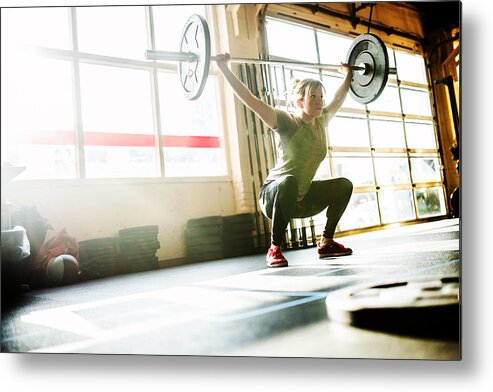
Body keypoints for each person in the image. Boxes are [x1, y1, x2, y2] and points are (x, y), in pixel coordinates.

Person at [216, 53, 354, 268]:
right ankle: (274, 249)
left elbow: (339, 97)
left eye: (320, 97)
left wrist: (348, 75)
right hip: (273, 194)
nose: (319, 102)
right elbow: (250, 99)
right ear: (300, 102)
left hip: (301, 197)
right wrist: (224, 68)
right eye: (313, 97)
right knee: (288, 181)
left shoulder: (321, 121)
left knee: (343, 185)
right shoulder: (286, 122)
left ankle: (326, 242)